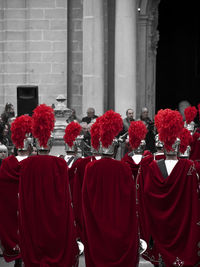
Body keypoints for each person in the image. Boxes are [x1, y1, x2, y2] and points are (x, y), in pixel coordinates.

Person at [18, 104, 79, 266]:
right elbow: (64, 196)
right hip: (54, 215)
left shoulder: (27, 164)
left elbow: (23, 195)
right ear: (50, 142)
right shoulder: (58, 163)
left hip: (33, 214)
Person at [140, 109, 200, 266]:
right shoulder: (189, 166)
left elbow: (147, 193)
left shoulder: (153, 166)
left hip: (160, 224)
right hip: (183, 222)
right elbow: (195, 195)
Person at [82, 110, 139, 267]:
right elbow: (129, 202)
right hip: (119, 223)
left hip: (97, 225)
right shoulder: (124, 168)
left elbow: (85, 199)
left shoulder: (90, 168)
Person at [0, 115, 32, 267]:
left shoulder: (7, 163)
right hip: (29, 205)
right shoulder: (33, 163)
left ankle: (17, 255)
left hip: (11, 206)